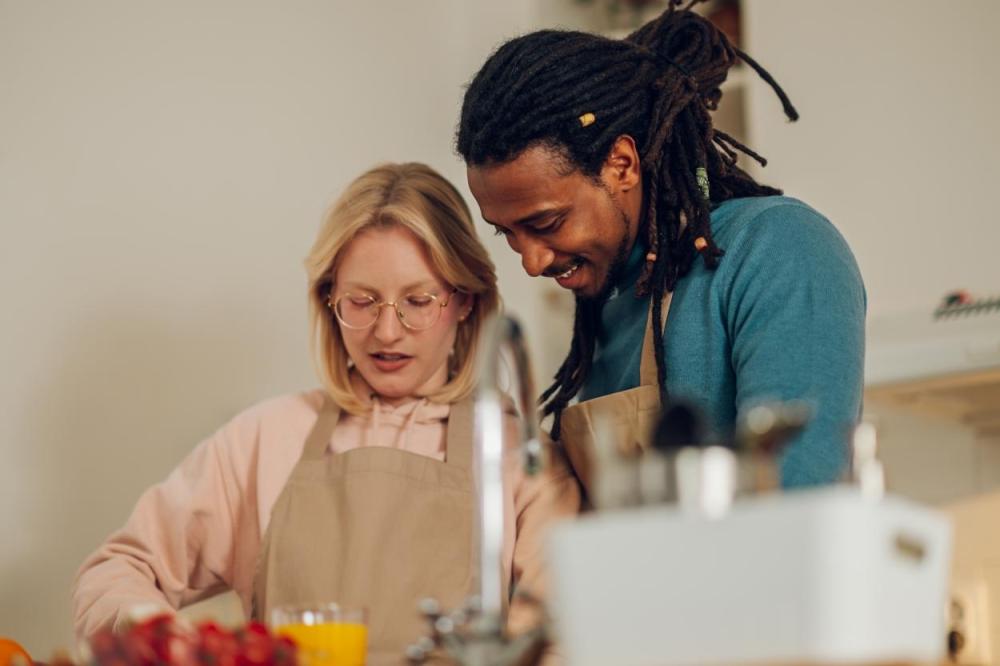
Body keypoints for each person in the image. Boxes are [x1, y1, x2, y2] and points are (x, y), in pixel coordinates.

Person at [72, 163, 580, 661]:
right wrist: (163, 636)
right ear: (328, 298)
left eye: (418, 301)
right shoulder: (263, 440)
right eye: (361, 301)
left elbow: (562, 639)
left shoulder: (519, 459)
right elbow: (115, 571)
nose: (386, 331)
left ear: (466, 300)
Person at [457, 1, 865, 491]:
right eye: (507, 233)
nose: (531, 261)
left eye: (547, 222)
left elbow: (800, 502)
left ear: (622, 164)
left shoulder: (779, 249)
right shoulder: (608, 301)